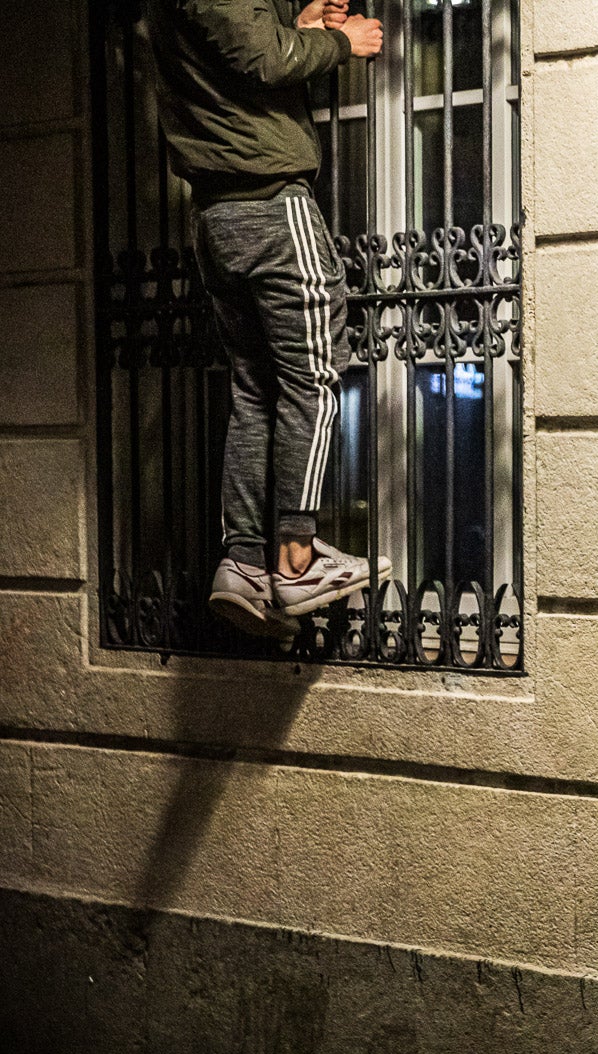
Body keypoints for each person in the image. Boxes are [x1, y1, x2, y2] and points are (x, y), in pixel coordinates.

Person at [146, 0, 390, 640]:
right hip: (271, 206)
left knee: (255, 392)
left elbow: (238, 51)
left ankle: (246, 563)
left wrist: (299, 28)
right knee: (315, 380)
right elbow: (262, 58)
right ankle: (297, 560)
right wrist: (343, 43)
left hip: (216, 217)